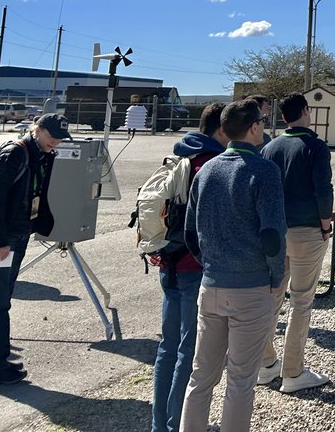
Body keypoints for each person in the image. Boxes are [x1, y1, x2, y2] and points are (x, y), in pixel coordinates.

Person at [179, 99, 287, 432]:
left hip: (211, 286)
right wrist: (275, 275)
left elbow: (190, 233)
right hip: (251, 287)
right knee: (241, 380)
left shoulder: (207, 169)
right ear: (254, 127)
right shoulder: (264, 171)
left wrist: (210, 265)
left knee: (201, 376)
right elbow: (271, 236)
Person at [0, 113, 69, 386]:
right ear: (36, 130)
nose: (56, 143)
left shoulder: (41, 154)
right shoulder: (14, 154)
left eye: (61, 139)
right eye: (52, 138)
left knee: (3, 298)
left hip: (16, 236)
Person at [148, 102, 227, 432]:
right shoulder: (211, 164)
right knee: (189, 351)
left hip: (168, 262)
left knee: (167, 348)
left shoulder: (179, 156)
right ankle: (180, 424)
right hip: (195, 267)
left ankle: (160, 425)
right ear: (222, 130)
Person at [257, 93, 333, 394]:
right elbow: (323, 191)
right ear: (305, 111)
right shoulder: (315, 147)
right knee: (301, 301)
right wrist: (326, 225)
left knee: (270, 299)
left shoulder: (270, 147)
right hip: (307, 231)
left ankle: (265, 364)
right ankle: (294, 371)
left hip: (275, 233)